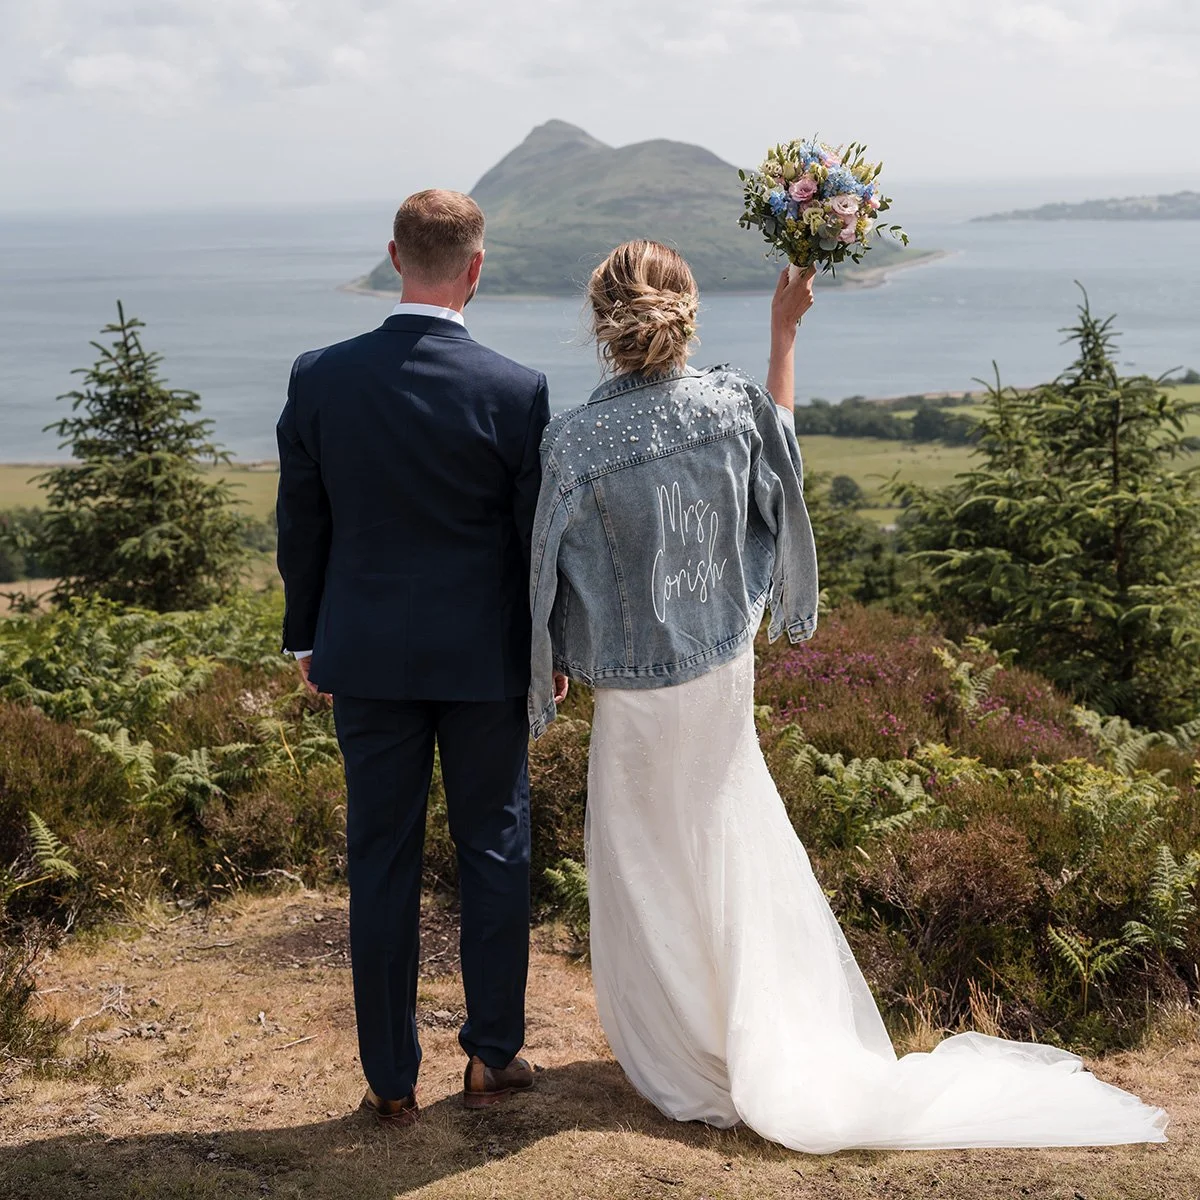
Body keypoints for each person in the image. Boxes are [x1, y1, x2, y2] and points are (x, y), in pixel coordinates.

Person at [527, 239, 1168, 1152]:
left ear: (602, 325)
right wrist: (785, 333)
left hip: (636, 690)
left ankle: (686, 1056)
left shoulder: (574, 441)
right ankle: (755, 1035)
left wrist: (548, 657)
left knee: (642, 859)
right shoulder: (731, 405)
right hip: (721, 671)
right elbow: (779, 471)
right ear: (686, 314)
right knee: (729, 834)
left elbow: (547, 573)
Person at [276, 189, 563, 1126]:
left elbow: (303, 528)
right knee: (494, 849)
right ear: (475, 270)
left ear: (394, 258)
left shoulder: (319, 377)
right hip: (485, 661)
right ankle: (491, 1055)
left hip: (366, 658)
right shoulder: (516, 391)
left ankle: (390, 1078)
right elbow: (534, 544)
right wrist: (546, 652)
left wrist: (310, 639)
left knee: (382, 858)